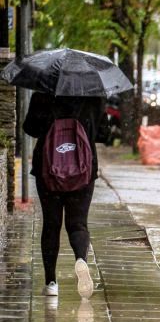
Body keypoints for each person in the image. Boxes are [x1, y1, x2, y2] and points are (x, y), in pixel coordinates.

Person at [23, 93, 110, 298]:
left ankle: (51, 282)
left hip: (47, 170)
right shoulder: (94, 96)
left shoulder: (43, 95)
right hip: (83, 170)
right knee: (78, 223)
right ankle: (80, 259)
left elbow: (30, 128)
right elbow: (104, 134)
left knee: (51, 224)